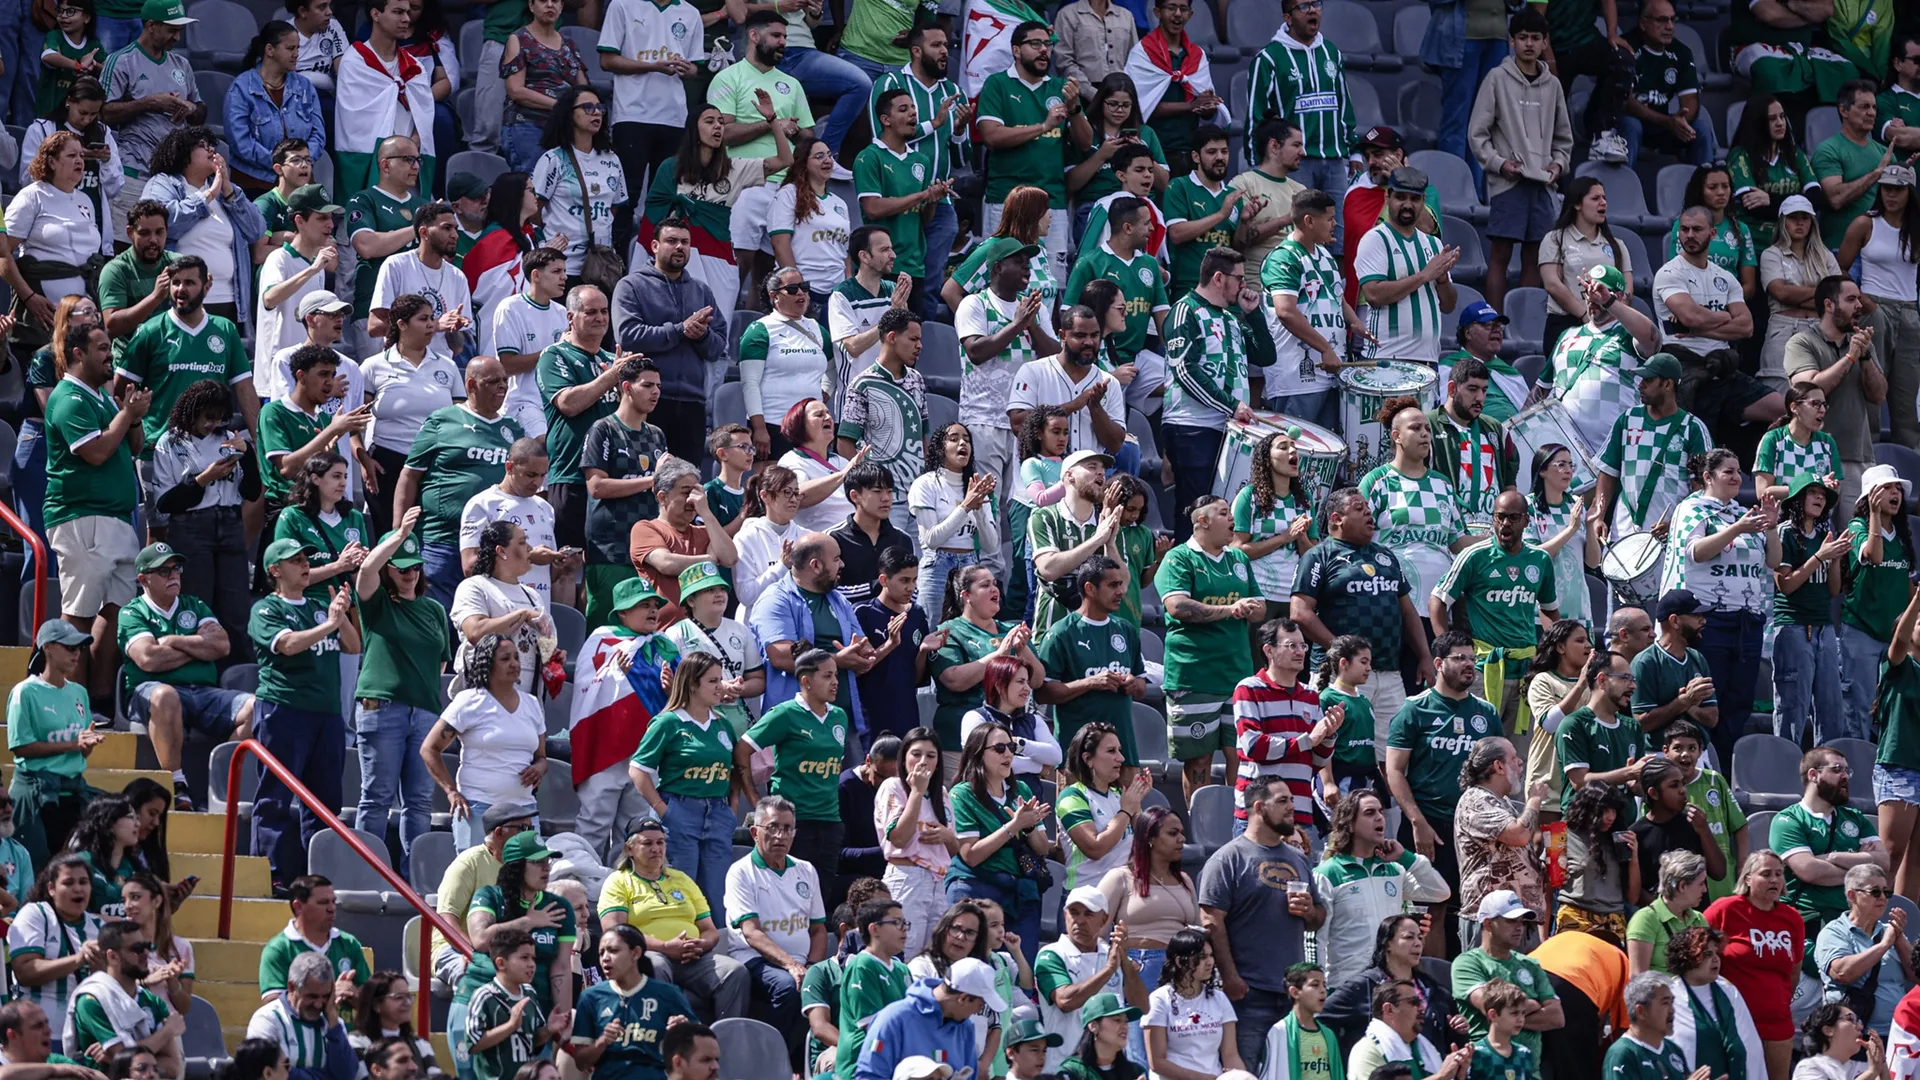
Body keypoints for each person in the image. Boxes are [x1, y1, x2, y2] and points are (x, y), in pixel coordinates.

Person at [247, 538, 358, 885]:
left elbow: (353, 646)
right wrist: (330, 623)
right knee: (275, 798)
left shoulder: (316, 603)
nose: (304, 564)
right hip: (284, 709)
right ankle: (271, 876)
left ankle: (318, 880)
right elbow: (289, 645)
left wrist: (340, 617)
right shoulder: (267, 608)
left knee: (325, 802)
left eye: (305, 559)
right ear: (275, 571)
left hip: (325, 714)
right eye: (294, 560)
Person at [117, 542, 252, 811]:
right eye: (164, 571)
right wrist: (199, 648)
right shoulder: (132, 612)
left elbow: (222, 646)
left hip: (203, 692)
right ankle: (178, 786)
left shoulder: (194, 604)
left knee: (256, 707)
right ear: (144, 579)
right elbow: (149, 659)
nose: (174, 575)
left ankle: (221, 785)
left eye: (176, 568)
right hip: (152, 691)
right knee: (165, 695)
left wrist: (173, 641)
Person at [1156, 493, 1260, 801]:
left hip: (1237, 674)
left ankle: (1237, 825)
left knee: (1240, 756)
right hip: (1194, 676)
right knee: (1199, 761)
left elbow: (1260, 607)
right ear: (1202, 521)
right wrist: (1231, 610)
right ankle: (1201, 827)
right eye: (1224, 513)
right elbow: (1177, 607)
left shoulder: (1239, 558)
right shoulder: (1178, 558)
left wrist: (1250, 609)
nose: (1233, 520)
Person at [596, 817, 749, 1022]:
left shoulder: (681, 879)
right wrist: (665, 946)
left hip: (692, 956)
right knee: (656, 965)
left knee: (735, 972)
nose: (656, 849)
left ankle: (725, 1039)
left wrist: (701, 944)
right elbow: (615, 932)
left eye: (660, 842)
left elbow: (709, 929)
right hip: (648, 954)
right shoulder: (618, 881)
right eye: (647, 843)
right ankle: (661, 1039)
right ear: (629, 849)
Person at [1466, 9, 1571, 309]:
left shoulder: (1553, 86)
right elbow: (1477, 133)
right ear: (1511, 41)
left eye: (1535, 38)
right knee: (1500, 254)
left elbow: (1564, 138)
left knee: (1535, 257)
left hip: (1542, 186)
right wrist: (1500, 164)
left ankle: (1524, 325)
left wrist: (1558, 165)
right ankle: (1493, 322)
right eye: (1522, 37)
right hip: (1508, 183)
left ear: (1544, 42)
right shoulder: (1497, 78)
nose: (1529, 44)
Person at [1653, 210, 1781, 441]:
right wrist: (1723, 316)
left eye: (1697, 229)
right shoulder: (1669, 273)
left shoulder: (1726, 277)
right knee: (1695, 446)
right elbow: (1692, 316)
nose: (1690, 235)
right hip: (1686, 368)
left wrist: (1696, 328)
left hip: (1723, 367)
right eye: (1684, 229)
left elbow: (1746, 327)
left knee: (1786, 409)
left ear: (1712, 233)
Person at [975, 21, 1083, 285]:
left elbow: (1084, 142)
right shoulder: (998, 84)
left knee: (1052, 284)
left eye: (1048, 44)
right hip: (1006, 199)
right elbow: (992, 136)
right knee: (1002, 280)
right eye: (1035, 44)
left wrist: (1076, 108)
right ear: (1016, 50)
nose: (1044, 50)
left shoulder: (1060, 87)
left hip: (1052, 203)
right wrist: (1043, 126)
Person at [420, 629, 547, 850]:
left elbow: (542, 757)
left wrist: (539, 768)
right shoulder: (469, 701)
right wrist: (451, 792)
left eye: (516, 657)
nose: (514, 663)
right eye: (505, 659)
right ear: (487, 664)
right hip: (477, 810)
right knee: (476, 882)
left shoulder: (532, 704)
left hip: (524, 811)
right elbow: (429, 749)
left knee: (525, 880)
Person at [723, 796, 827, 1055]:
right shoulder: (741, 872)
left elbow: (818, 930)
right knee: (786, 986)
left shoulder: (806, 870)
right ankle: (768, 1059)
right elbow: (751, 932)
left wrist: (811, 966)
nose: (781, 835)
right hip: (756, 959)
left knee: (835, 983)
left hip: (802, 962)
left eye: (787, 828)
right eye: (773, 828)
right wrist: (791, 965)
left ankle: (812, 1061)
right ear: (755, 832)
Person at [1362, 399, 1467, 638]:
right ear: (1397, 436)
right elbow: (1355, 534)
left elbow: (1457, 542)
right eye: (1416, 428)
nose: (1424, 434)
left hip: (1437, 604)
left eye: (1427, 429)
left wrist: (1491, 540)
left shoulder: (1443, 484)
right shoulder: (1377, 481)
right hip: (1390, 602)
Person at [98, 0, 202, 236]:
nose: (177, 37)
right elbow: (102, 112)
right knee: (125, 246)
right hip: (133, 172)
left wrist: (190, 108)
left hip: (173, 178)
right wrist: (148, 103)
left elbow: (201, 110)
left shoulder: (181, 64)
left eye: (179, 31)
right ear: (151, 26)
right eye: (171, 30)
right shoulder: (122, 61)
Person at [1036, 560, 1148, 769]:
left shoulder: (1126, 630)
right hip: (1077, 754)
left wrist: (1134, 684)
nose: (1121, 591)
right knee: (1075, 803)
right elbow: (1043, 694)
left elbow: (1142, 687)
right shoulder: (1061, 633)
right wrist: (1090, 683)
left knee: (1128, 803)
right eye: (1113, 585)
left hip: (1123, 753)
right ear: (1090, 588)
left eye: (1121, 584)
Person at [1260, 189, 1353, 430]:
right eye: (1330, 218)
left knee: (1327, 457)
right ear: (1309, 221)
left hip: (1330, 374)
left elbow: (1337, 297)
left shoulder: (1324, 254)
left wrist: (1355, 323)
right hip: (1296, 379)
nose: (1335, 224)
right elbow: (1286, 311)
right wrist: (1325, 348)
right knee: (1297, 452)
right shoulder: (1283, 258)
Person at [1706, 852, 1803, 1080]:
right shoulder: (1725, 910)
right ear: (1747, 878)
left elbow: (1794, 972)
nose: (1775, 880)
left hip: (1777, 1022)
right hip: (1733, 1021)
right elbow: (1696, 950)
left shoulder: (1792, 918)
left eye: (1779, 874)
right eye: (1766, 874)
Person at [1841, 173, 1920, 450]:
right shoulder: (1866, 223)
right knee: (1871, 384)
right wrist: (1863, 301)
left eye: (1898, 189)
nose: (1891, 195)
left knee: (1907, 393)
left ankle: (1911, 459)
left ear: (1909, 191)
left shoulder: (1916, 226)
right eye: (1886, 188)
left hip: (1910, 310)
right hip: (1874, 306)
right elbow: (1841, 269)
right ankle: (1867, 455)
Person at [1774, 745, 1887, 933]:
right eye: (1836, 769)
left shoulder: (1856, 818)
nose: (1845, 776)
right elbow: (1809, 870)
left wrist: (1832, 857)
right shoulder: (1788, 820)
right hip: (1806, 918)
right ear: (1813, 774)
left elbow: (1883, 863)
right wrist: (1863, 863)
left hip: (1853, 919)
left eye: (1846, 770)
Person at [332, 0, 436, 199]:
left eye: (407, 12)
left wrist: (410, 148)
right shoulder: (354, 63)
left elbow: (424, 116)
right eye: (398, 12)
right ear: (375, 14)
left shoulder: (414, 67)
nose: (406, 19)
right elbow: (354, 124)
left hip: (409, 158)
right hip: (371, 160)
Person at [1356, 167, 1458, 365]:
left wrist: (1442, 277)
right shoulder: (1375, 239)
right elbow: (1374, 295)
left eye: (1415, 199)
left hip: (1428, 360)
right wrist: (1424, 275)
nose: (1407, 205)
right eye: (1401, 197)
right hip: (1387, 358)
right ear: (1388, 198)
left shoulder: (1433, 244)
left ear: (1423, 202)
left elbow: (1448, 305)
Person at [853, 959, 1004, 1080]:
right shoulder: (893, 1018)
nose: (979, 1011)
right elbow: (869, 1075)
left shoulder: (966, 1028)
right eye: (981, 1004)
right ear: (963, 998)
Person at [1453, 891, 1562, 1058]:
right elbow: (1490, 1005)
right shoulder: (1467, 963)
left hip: (1529, 1072)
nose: (1520, 927)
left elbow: (1556, 1017)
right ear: (1488, 923)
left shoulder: (1530, 964)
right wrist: (1535, 1004)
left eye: (1522, 921)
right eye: (1511, 921)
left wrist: (1506, 1018)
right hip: (1488, 1068)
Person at [908, 424, 1000, 623]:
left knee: (969, 632)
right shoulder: (926, 484)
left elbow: (991, 546)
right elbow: (931, 539)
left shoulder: (977, 487)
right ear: (941, 448)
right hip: (937, 565)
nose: (962, 443)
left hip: (970, 565)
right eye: (954, 438)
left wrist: (979, 508)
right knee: (932, 632)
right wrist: (965, 507)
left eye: (967, 439)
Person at [459, 438, 563, 613]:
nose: (537, 482)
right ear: (509, 467)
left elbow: (548, 576)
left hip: (539, 616)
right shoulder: (482, 504)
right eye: (530, 475)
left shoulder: (545, 508)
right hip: (499, 614)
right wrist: (527, 556)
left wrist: (560, 565)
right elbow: (470, 566)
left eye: (543, 475)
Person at [224, 22, 324, 194]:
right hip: (255, 183)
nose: (296, 54)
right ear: (269, 50)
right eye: (290, 48)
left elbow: (318, 134)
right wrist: (283, 163)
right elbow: (241, 143)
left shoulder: (305, 87)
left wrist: (301, 162)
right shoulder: (240, 89)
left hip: (300, 183)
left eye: (298, 48)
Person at [1813, 863, 1913, 1035]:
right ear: (1852, 895)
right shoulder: (1834, 932)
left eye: (1886, 892)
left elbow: (1916, 975)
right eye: (1875, 892)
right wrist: (1883, 946)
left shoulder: (1890, 933)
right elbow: (1842, 973)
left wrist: (1899, 938)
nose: (1882, 897)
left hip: (1895, 1034)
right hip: (1853, 1038)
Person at [1539, 180, 1635, 356]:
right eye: (1595, 198)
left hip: (1609, 324)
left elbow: (1627, 287)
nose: (1603, 202)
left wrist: (1615, 314)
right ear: (1577, 204)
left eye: (1604, 198)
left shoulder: (1617, 245)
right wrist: (1585, 316)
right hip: (1566, 324)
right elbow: (1552, 284)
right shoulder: (1555, 239)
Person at [1758, 202, 1842, 393]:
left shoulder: (1825, 255)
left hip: (1821, 328)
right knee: (1780, 391)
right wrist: (1822, 291)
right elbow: (1781, 293)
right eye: (1793, 218)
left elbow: (1838, 295)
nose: (1799, 223)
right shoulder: (1771, 254)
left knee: (1820, 392)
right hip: (1784, 327)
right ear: (1782, 222)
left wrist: (1795, 295)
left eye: (1805, 218)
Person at [465, 928, 570, 1080]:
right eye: (524, 958)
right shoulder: (485, 996)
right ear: (501, 963)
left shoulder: (529, 993)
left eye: (533, 958)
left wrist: (549, 1030)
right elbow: (473, 1044)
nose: (531, 964)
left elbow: (533, 1040)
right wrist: (511, 1025)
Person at [1142, 926, 1243, 1080]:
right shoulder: (1159, 999)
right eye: (1202, 957)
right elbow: (1157, 1062)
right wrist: (1205, 1079)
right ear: (1180, 961)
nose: (1209, 962)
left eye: (1210, 956)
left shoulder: (1219, 998)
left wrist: (1241, 1077)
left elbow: (1230, 1055)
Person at [244, 952, 356, 1080]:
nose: (319, 1005)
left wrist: (334, 1027)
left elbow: (347, 1076)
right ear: (291, 986)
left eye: (325, 996)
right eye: (312, 996)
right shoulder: (267, 1019)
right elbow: (269, 1074)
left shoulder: (333, 1024)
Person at [1812, 82, 1894, 252]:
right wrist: (1877, 174)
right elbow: (1836, 199)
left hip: (1881, 252)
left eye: (1873, 107)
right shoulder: (1828, 150)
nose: (1871, 113)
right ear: (1844, 110)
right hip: (1840, 251)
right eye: (1864, 107)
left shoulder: (1885, 153)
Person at [1661, 165, 1760, 303]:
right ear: (1700, 191)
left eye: (1725, 186)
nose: (1721, 192)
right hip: (1693, 304)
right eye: (1712, 187)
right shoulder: (1683, 226)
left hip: (1730, 306)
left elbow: (1749, 286)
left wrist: (1724, 303)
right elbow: (1675, 274)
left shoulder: (1741, 229)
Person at [1345, 980, 1470, 1080]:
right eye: (1414, 1002)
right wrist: (1441, 1077)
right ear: (1389, 1010)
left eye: (1421, 1001)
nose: (1422, 1007)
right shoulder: (1368, 1050)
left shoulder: (1426, 1048)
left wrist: (1459, 1076)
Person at [830, 464, 914, 609]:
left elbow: (912, 589)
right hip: (850, 624)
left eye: (889, 491)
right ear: (855, 496)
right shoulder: (834, 539)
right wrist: (879, 586)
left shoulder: (902, 539)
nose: (886, 498)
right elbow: (829, 592)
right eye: (877, 491)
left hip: (894, 624)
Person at [777, 399, 866, 535]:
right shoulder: (792, 460)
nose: (828, 418)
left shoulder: (840, 461)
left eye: (828, 413)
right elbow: (796, 495)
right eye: (819, 415)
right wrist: (843, 474)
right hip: (822, 542)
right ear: (800, 424)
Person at [120, 874, 190, 1017]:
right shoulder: (119, 942)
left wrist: (172, 981)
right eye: (124, 900)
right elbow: (109, 991)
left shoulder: (181, 947)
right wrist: (145, 982)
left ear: (157, 901)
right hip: (132, 1028)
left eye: (135, 897)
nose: (127, 906)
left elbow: (184, 1008)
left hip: (169, 1030)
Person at [1795, 1004, 1889, 1080]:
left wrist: (1881, 1061)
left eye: (1859, 1022)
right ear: (1828, 1030)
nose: (1860, 1027)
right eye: (1850, 1019)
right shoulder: (1808, 1067)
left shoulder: (1862, 1067)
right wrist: (1871, 1072)